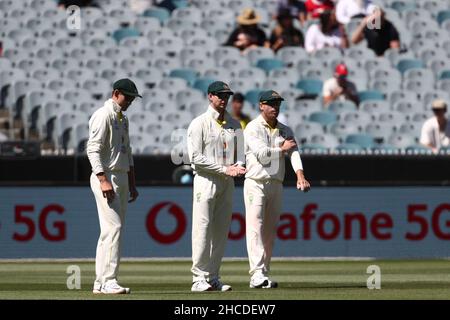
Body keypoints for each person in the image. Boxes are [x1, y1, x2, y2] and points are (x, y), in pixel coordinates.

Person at [243, 90, 310, 289]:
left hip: (276, 184)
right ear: (261, 105)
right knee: (256, 228)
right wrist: (282, 149)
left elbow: (294, 153)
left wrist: (300, 175)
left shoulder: (285, 130)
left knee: (270, 232)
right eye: (271, 104)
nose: (275, 107)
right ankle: (256, 274)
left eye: (278, 103)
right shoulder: (252, 128)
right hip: (256, 183)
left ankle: (264, 273)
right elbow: (262, 155)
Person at [187, 81, 246, 292]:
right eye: (220, 95)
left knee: (220, 231)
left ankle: (213, 277)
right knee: (202, 229)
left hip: (227, 182)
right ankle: (198, 279)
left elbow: (241, 156)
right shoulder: (199, 123)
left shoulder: (235, 124)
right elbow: (194, 158)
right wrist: (224, 169)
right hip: (206, 180)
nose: (224, 99)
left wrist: (238, 167)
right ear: (210, 96)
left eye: (227, 95)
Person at [86, 78, 140, 294]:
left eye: (132, 99)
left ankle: (100, 283)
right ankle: (109, 280)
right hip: (106, 177)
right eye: (127, 97)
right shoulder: (103, 115)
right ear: (116, 93)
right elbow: (92, 149)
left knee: (109, 231)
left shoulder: (123, 119)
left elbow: (128, 153)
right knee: (113, 228)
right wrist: (102, 179)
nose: (130, 102)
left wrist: (132, 183)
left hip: (121, 177)